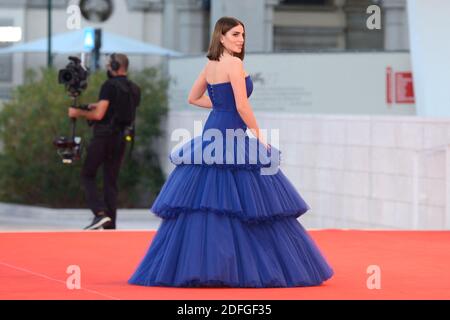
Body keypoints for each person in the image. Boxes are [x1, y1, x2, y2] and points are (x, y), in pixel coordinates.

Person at [128, 17, 333, 287]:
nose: (241, 39)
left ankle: (200, 268)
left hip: (213, 131)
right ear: (221, 37)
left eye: (243, 35)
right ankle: (238, 268)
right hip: (233, 134)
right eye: (235, 34)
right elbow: (243, 106)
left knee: (208, 200)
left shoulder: (211, 64)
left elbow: (193, 98)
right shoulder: (235, 64)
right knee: (247, 203)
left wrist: (219, 106)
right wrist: (259, 136)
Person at [68, 53, 141, 230]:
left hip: (104, 137)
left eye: (109, 65)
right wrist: (97, 105)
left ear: (115, 67)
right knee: (111, 180)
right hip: (122, 138)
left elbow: (99, 115)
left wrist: (78, 113)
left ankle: (100, 213)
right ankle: (110, 224)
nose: (108, 68)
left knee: (88, 173)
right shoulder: (134, 89)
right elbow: (118, 109)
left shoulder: (109, 86)